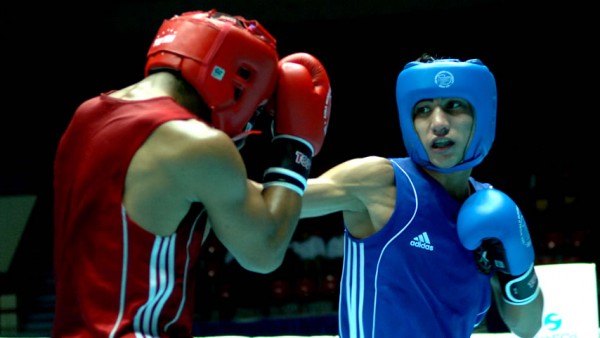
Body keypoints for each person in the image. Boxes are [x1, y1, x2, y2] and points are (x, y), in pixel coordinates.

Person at [52, 9, 331, 337]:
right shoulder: (195, 143)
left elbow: (233, 194)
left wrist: (345, 191)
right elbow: (264, 251)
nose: (251, 121)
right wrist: (295, 148)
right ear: (237, 79)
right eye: (257, 108)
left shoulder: (87, 115)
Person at [300, 54, 544, 337]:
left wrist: (518, 267)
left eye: (454, 106)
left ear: (481, 117)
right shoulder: (380, 182)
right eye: (424, 110)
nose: (438, 123)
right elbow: (275, 205)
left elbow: (528, 327)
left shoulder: (488, 209)